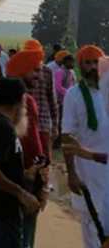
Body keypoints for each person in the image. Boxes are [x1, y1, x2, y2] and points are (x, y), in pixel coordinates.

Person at [0, 78, 42, 248]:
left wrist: (27, 173)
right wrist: (21, 193)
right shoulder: (1, 127)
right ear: (21, 100)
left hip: (2, 210)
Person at [62, 45, 109, 248]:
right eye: (87, 63)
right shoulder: (74, 95)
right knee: (93, 225)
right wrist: (71, 173)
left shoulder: (107, 91)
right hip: (87, 171)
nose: (92, 67)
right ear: (80, 66)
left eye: (95, 63)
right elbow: (67, 135)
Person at [23, 40, 59, 159]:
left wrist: (54, 125)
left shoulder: (47, 71)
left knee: (44, 159)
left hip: (43, 123)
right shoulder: (21, 71)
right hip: (24, 123)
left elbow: (52, 100)